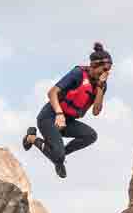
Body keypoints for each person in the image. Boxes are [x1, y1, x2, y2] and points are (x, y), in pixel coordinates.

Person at [23, 42, 112, 178]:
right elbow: (52, 93)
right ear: (94, 66)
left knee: (91, 135)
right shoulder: (78, 74)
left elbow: (96, 111)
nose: (106, 73)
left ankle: (58, 156)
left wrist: (100, 87)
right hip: (50, 117)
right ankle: (31, 137)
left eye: (108, 70)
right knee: (58, 157)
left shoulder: (101, 85)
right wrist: (59, 113)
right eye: (103, 70)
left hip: (68, 121)